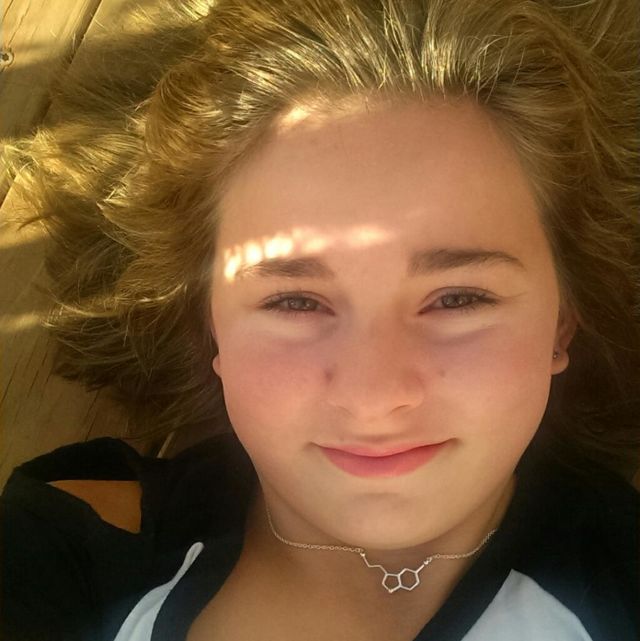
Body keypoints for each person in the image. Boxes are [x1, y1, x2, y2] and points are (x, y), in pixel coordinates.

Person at [1, 0, 639, 640]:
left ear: (564, 319)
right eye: (295, 301)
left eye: (458, 298)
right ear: (208, 321)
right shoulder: (67, 548)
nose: (373, 397)